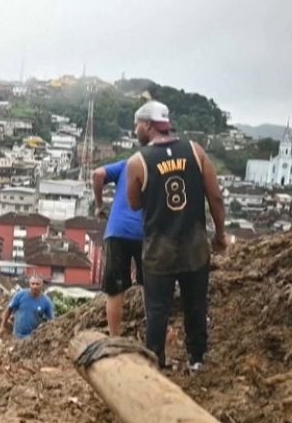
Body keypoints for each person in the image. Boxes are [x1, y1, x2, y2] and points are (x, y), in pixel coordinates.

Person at [125, 100, 227, 373]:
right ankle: (197, 359)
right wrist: (220, 234)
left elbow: (134, 203)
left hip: (160, 249)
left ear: (147, 126)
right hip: (194, 245)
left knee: (157, 310)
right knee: (196, 304)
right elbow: (215, 197)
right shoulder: (195, 152)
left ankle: (155, 363)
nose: (136, 129)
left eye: (138, 125)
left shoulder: (138, 162)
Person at [94, 159, 144, 336]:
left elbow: (98, 174)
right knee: (150, 286)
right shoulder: (160, 165)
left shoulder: (129, 163)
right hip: (146, 232)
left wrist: (100, 205)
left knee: (116, 289)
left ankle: (114, 337)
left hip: (117, 231)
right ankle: (152, 337)